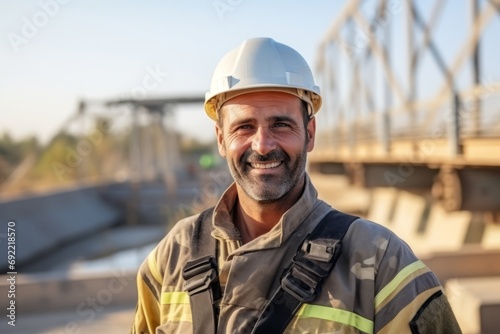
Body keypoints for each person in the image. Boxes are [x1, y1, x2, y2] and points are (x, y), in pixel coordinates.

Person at [131, 37, 461, 334]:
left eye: (281, 124)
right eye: (244, 126)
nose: (262, 145)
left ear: (310, 133)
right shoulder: (174, 255)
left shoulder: (381, 263)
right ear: (221, 138)